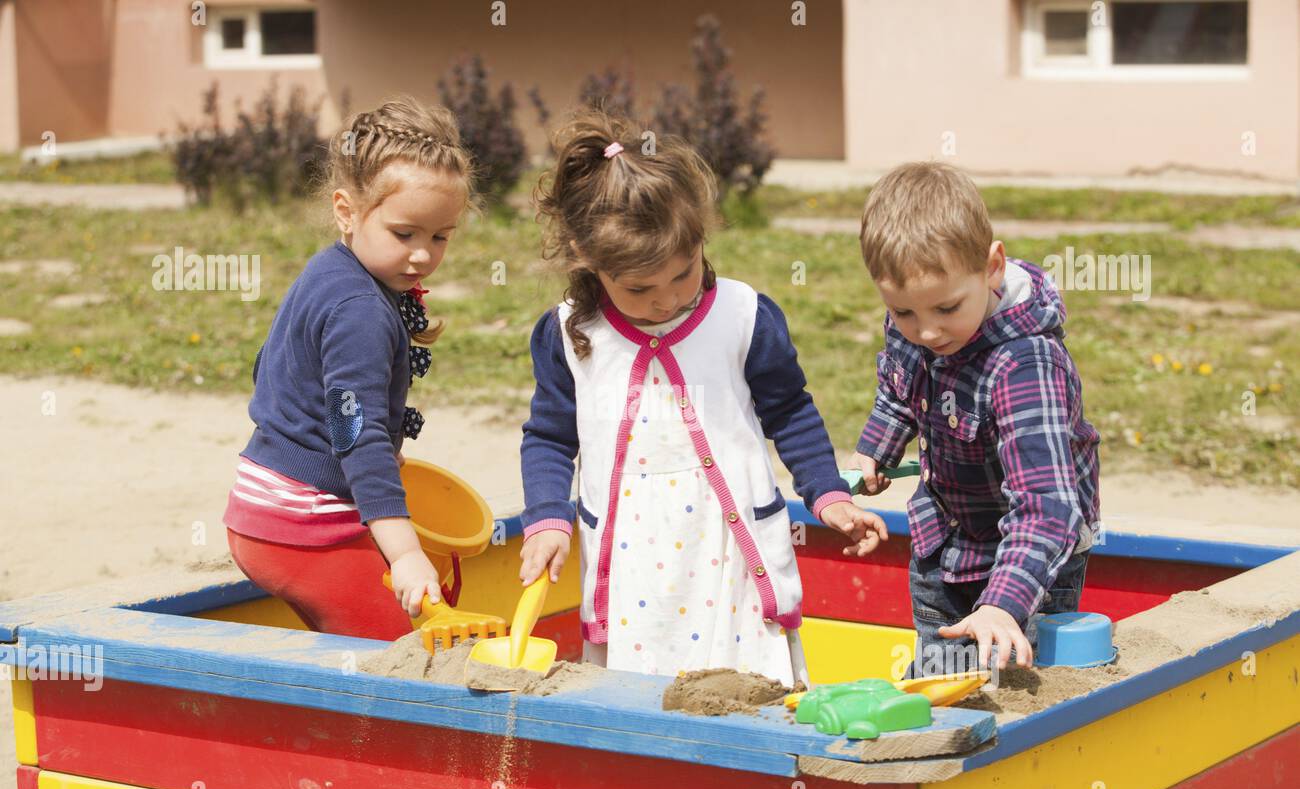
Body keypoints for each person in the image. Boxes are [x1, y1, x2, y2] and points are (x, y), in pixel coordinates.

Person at [518, 109, 888, 685]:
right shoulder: (571, 333)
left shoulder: (742, 316)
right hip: (632, 565)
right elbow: (548, 436)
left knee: (751, 692)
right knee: (635, 699)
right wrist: (546, 517)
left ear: (701, 238)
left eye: (682, 272)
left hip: (731, 557)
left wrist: (828, 494)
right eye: (639, 288)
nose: (666, 300)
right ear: (587, 260)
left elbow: (790, 411)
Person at [222, 97, 474, 639]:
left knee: (349, 645)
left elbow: (272, 367)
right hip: (304, 526)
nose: (423, 255)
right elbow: (356, 434)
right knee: (402, 647)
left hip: (257, 505)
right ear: (347, 211)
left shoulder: (328, 270)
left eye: (440, 236)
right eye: (404, 234)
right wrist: (405, 554)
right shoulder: (361, 310)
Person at [850, 161, 1100, 676]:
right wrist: (876, 448)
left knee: (1014, 694)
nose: (927, 332)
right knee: (940, 687)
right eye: (903, 312)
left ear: (993, 268)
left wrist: (1003, 605)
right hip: (942, 546)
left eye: (946, 309)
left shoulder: (1024, 364)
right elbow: (899, 387)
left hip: (1028, 566)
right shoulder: (918, 322)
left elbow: (1048, 506)